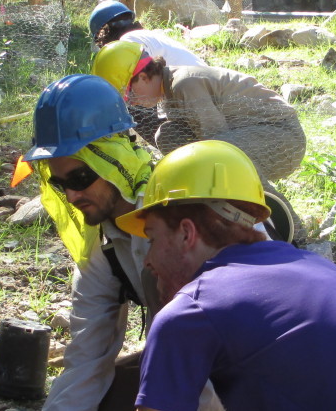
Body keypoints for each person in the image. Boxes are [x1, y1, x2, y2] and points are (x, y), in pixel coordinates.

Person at [113, 140, 336, 411]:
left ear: (187, 233)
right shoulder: (314, 268)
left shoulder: (191, 311)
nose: (148, 260)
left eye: (152, 238)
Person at [19, 74, 220, 411]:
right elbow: (86, 359)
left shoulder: (180, 215)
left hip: (257, 365)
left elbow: (209, 361)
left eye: (81, 178)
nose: (71, 194)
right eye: (59, 182)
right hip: (187, 359)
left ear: (113, 161)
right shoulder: (102, 246)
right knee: (110, 399)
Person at [89, 48, 305, 184]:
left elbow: (217, 147)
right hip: (248, 138)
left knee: (217, 152)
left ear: (144, 77)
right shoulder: (167, 91)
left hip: (283, 137)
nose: (130, 102)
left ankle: (282, 220)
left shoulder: (184, 84)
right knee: (167, 134)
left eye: (128, 93)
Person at [88, 0, 206, 67]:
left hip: (196, 90)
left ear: (103, 35)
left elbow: (143, 83)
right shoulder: (143, 36)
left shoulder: (129, 41)